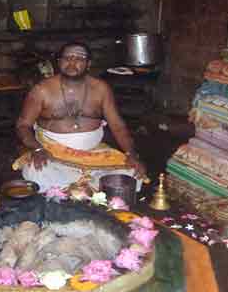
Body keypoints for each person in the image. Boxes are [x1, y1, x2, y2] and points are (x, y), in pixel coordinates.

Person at [15, 42, 147, 193]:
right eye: (67, 58)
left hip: (93, 154)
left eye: (79, 58)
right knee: (35, 173)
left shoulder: (101, 89)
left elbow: (117, 126)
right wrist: (37, 149)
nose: (72, 62)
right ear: (59, 62)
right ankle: (88, 190)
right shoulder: (41, 90)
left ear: (88, 64)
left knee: (132, 174)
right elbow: (23, 125)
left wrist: (131, 154)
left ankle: (75, 190)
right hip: (52, 154)